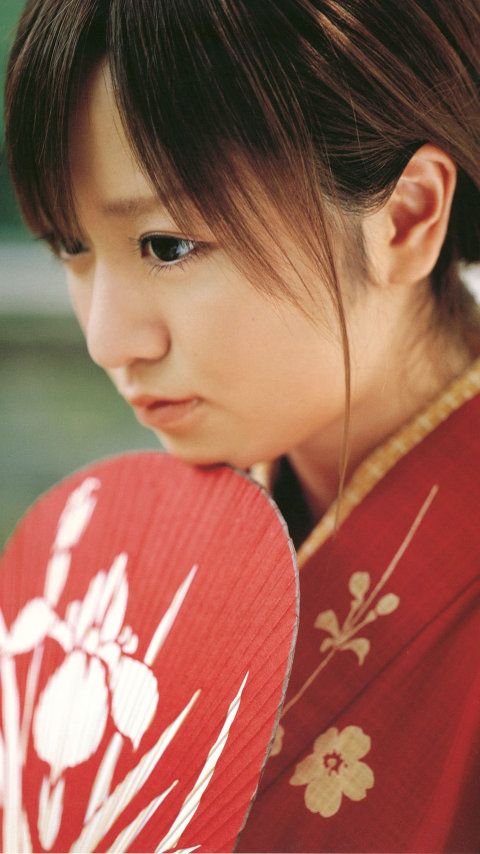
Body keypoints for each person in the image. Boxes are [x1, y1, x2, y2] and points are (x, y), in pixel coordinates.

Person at [4, 1, 480, 850]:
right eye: (70, 246)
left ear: (406, 216)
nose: (108, 340)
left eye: (166, 245)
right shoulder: (143, 567)